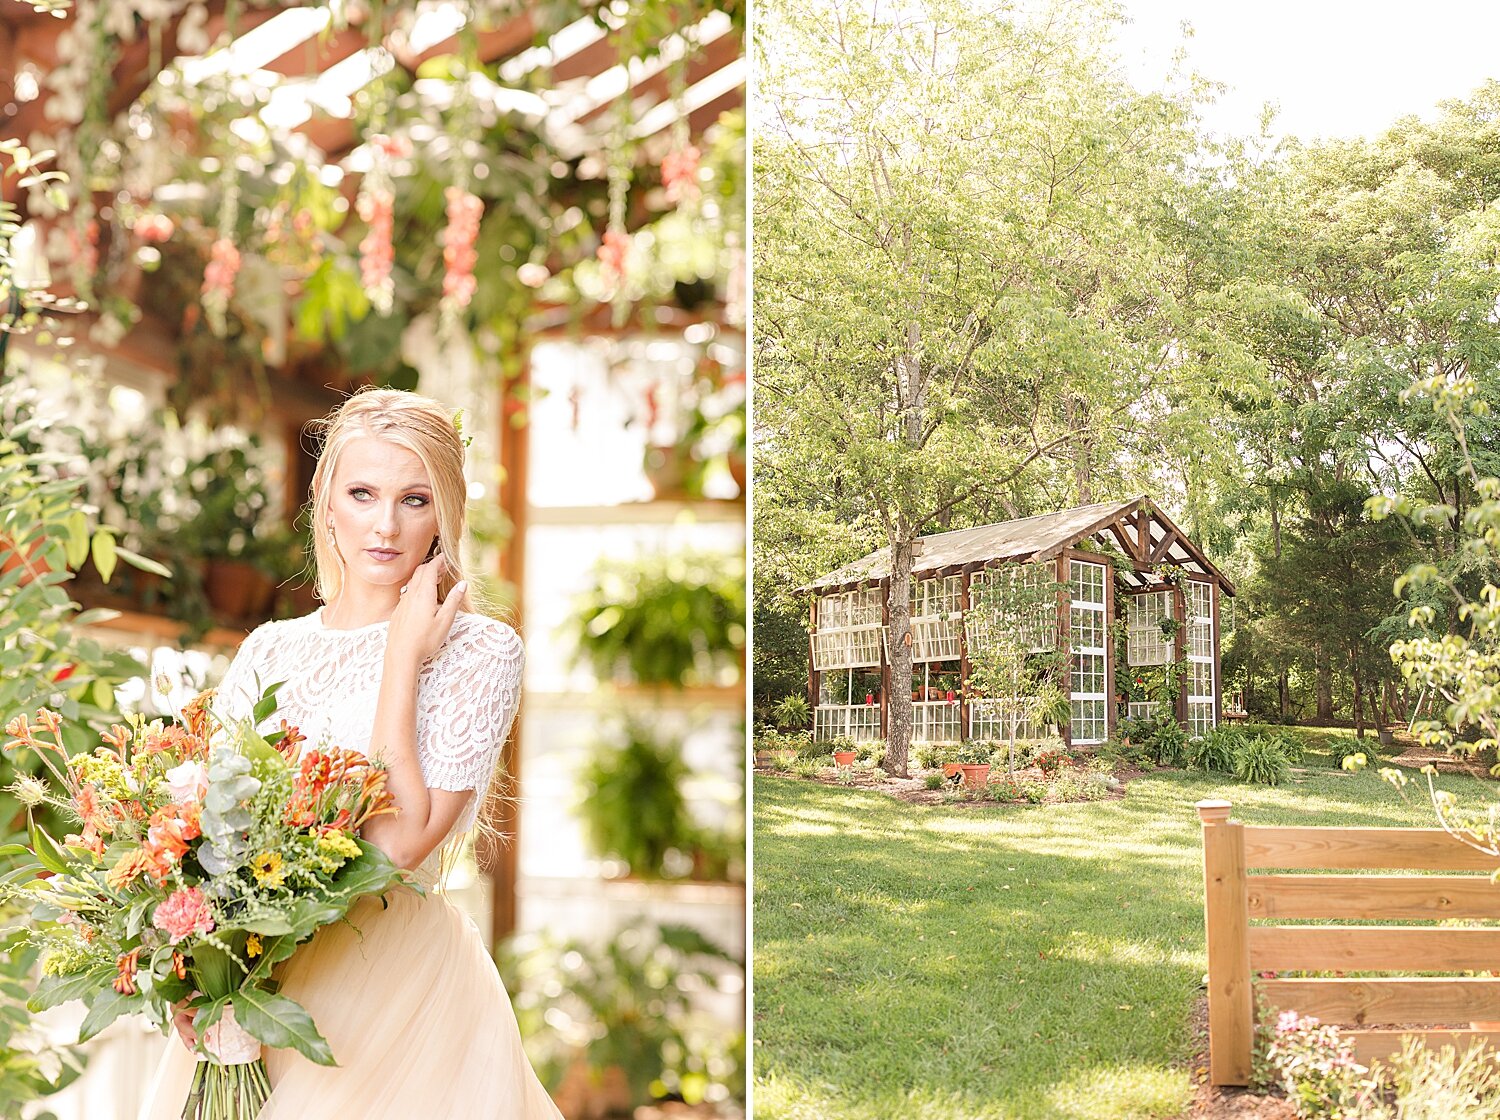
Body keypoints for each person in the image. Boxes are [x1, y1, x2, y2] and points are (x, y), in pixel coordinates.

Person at [138, 389, 564, 1119]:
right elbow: (203, 833)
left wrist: (403, 655)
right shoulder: (270, 648)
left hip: (397, 991)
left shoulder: (481, 651)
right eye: (362, 493)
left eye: (414, 499)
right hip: (253, 987)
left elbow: (397, 845)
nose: (385, 525)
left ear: (445, 515)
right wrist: (188, 974)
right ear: (326, 501)